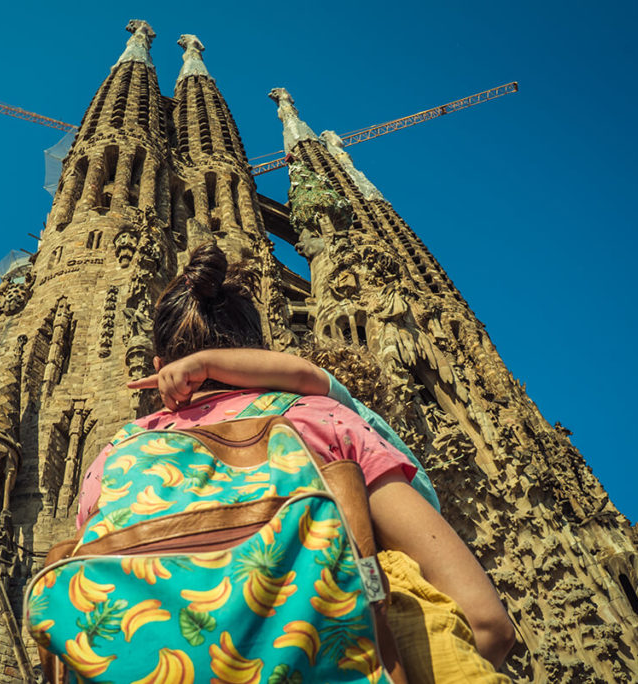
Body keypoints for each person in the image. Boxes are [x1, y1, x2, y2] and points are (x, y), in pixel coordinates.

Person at [77, 243, 514, 681]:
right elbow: (485, 622)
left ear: (157, 366)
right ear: (261, 349)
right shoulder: (319, 419)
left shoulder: (114, 458)